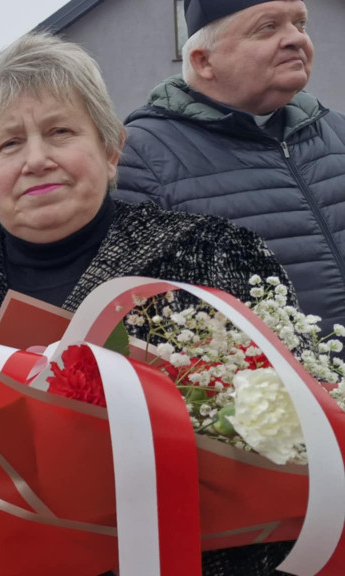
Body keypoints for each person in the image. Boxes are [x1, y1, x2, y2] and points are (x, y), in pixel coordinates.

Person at [0, 32, 299, 576]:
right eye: (9, 143)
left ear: (111, 150)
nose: (36, 160)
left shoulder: (211, 255)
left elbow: (288, 430)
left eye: (60, 131)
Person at [115, 0, 345, 346]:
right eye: (268, 27)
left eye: (300, 24)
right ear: (203, 61)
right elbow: (134, 324)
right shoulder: (142, 159)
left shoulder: (335, 131)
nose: (294, 39)